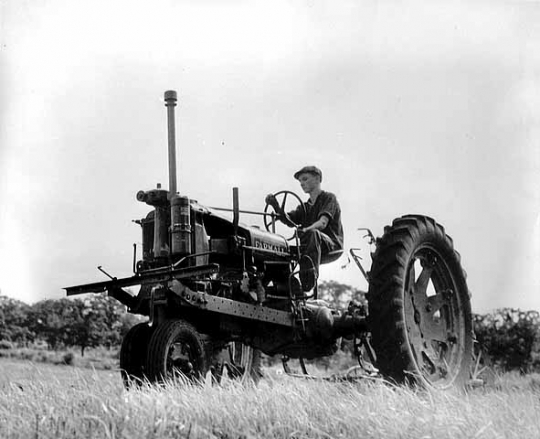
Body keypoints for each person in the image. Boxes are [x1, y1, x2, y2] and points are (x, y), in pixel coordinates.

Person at [268, 166, 344, 291]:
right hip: (312, 246)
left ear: (317, 179)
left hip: (332, 246)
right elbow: (289, 219)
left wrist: (306, 229)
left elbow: (322, 223)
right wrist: (276, 207)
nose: (302, 184)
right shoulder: (305, 207)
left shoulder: (329, 198)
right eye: (300, 182)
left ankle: (308, 281)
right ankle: (287, 286)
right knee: (281, 251)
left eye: (305, 179)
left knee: (313, 234)